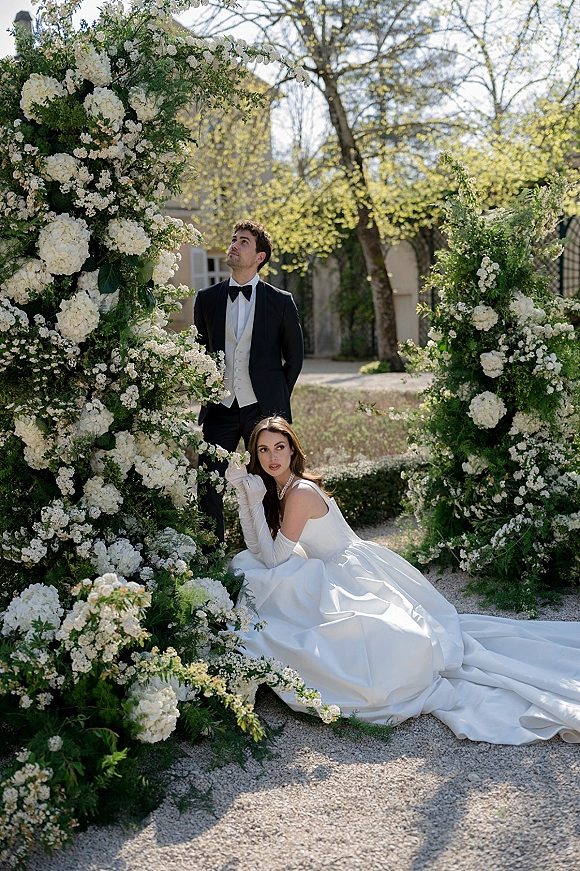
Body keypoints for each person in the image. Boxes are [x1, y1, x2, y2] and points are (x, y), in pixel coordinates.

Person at [225, 416, 580, 745]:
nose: (273, 456)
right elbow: (258, 547)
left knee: (297, 597)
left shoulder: (299, 492)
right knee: (266, 578)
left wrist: (253, 501)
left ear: (292, 448)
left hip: (348, 569)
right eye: (264, 449)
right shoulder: (280, 490)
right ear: (255, 455)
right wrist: (246, 496)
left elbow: (274, 558)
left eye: (280, 447)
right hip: (335, 567)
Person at [194, 221, 304, 541]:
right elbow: (201, 352)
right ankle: (212, 553)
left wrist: (275, 402)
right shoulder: (206, 299)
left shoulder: (281, 301)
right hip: (220, 407)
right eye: (234, 239)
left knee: (272, 481)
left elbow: (294, 359)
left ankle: (277, 546)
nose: (235, 244)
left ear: (259, 256)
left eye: (243, 241)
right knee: (208, 480)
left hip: (262, 410)